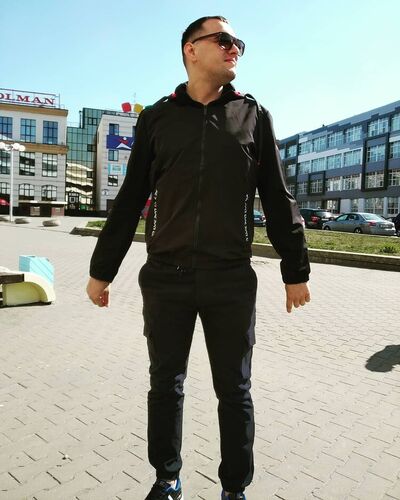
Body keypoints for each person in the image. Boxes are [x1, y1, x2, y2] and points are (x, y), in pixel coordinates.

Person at [86, 15, 311, 500]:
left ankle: (235, 489)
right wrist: (101, 271)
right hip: (165, 278)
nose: (235, 49)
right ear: (191, 49)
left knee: (235, 389)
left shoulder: (253, 115)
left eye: (239, 43)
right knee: (165, 384)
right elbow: (130, 199)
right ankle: (167, 479)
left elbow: (278, 197)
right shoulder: (157, 118)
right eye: (224, 40)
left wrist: (295, 270)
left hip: (230, 279)